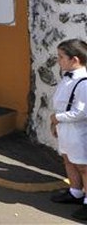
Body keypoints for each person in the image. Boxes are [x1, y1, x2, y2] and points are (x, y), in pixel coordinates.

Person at [49, 39, 87, 222]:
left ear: (75, 60)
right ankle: (75, 192)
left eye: (61, 57)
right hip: (65, 128)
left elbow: (82, 112)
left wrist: (58, 118)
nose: (58, 61)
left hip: (78, 132)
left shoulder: (84, 82)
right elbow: (61, 103)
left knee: (84, 166)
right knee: (68, 160)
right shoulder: (67, 78)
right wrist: (55, 123)